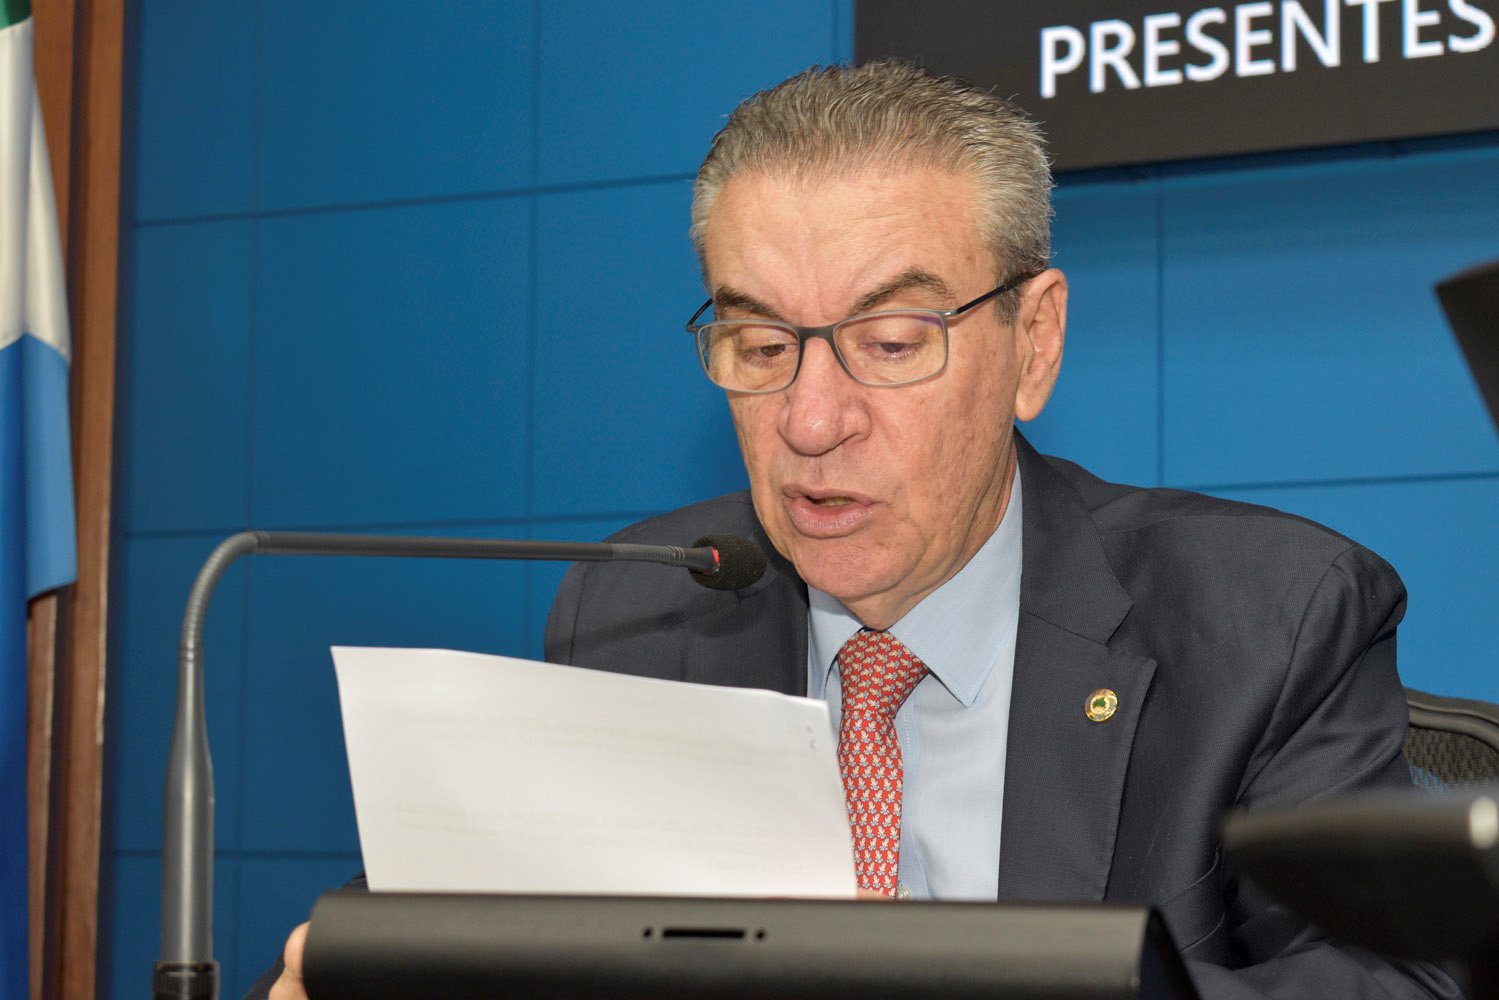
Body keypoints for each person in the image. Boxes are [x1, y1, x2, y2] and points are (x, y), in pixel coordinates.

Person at [257, 60, 1460, 1000]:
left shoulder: (1267, 616)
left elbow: (1387, 980)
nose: (810, 419)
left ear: (1032, 344)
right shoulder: (641, 607)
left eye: (889, 343)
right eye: (758, 345)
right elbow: (484, 911)